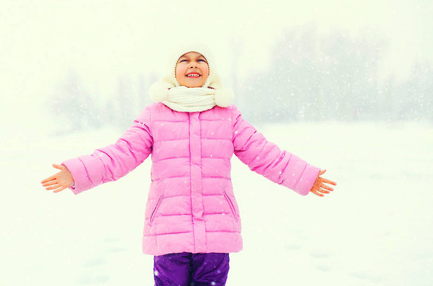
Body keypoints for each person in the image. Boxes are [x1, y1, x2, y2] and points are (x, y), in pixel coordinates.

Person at [41, 45, 337, 286]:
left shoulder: (227, 116)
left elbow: (265, 153)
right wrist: (77, 172)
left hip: (216, 229)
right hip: (169, 231)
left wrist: (305, 177)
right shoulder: (155, 115)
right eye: (184, 60)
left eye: (200, 60)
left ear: (210, 72)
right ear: (173, 72)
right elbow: (122, 153)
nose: (193, 64)